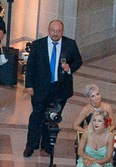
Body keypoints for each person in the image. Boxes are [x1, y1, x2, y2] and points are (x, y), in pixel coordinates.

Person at [22, 21, 82, 158]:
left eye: (59, 31)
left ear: (63, 31)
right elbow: (30, 66)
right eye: (53, 31)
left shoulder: (70, 44)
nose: (55, 34)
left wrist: (69, 68)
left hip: (60, 89)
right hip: (40, 88)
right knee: (37, 116)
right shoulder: (38, 45)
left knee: (53, 118)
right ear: (49, 30)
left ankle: (47, 145)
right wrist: (29, 86)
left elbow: (78, 60)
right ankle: (31, 145)